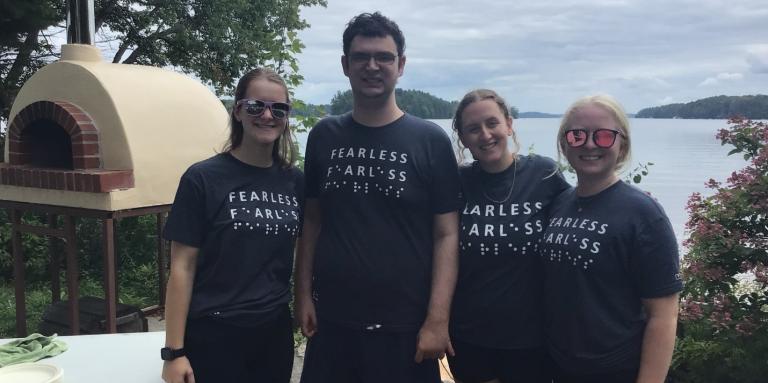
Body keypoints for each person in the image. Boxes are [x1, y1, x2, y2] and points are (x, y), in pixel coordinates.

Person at [295, 12, 462, 383]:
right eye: (361, 57)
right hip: (333, 322)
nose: (373, 66)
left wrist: (438, 319)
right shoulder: (324, 135)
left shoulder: (430, 141)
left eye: (384, 57)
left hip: (405, 326)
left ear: (401, 65)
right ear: (345, 65)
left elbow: (447, 234)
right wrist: (302, 294)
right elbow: (312, 221)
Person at [160, 67, 304, 383]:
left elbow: (306, 249)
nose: (267, 115)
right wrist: (173, 352)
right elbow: (182, 267)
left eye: (278, 109)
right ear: (238, 110)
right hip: (214, 333)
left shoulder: (294, 182)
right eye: (256, 106)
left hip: (274, 332)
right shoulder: (202, 179)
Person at [540, 95, 681, 383]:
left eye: (604, 136)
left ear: (622, 145)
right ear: (564, 145)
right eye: (578, 135)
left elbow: (664, 316)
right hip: (559, 366)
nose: (590, 144)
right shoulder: (560, 202)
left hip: (616, 370)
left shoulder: (643, 214)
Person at [447, 89, 569, 383]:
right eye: (473, 129)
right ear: (463, 139)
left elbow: (578, 221)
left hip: (533, 337)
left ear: (509, 125)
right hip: (470, 334)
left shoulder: (543, 174)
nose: (485, 135)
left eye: (492, 123)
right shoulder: (456, 182)